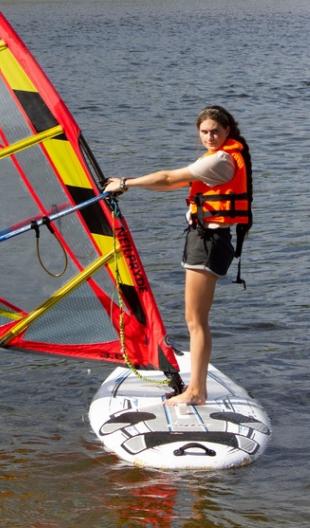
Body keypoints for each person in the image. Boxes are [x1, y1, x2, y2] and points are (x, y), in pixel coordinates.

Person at [104, 105, 252, 406]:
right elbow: (172, 183)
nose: (210, 136)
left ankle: (197, 391)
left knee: (196, 320)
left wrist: (124, 184)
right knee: (195, 319)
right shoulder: (217, 157)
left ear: (228, 132)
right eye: (204, 131)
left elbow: (167, 176)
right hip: (207, 239)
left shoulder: (221, 160)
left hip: (209, 241)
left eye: (216, 131)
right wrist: (127, 184)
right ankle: (196, 387)